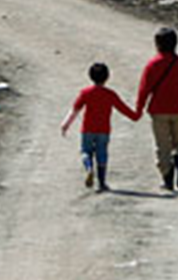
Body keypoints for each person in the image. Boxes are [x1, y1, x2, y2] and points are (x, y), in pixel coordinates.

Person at [134, 27, 178, 191]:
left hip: (159, 110)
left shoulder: (153, 65)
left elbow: (144, 89)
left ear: (157, 44)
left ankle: (168, 180)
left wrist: (139, 109)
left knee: (163, 146)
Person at [60, 62, 140, 192]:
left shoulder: (85, 93)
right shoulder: (110, 94)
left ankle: (89, 168)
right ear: (107, 77)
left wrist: (65, 125)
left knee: (85, 151)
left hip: (88, 129)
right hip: (104, 130)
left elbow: (75, 110)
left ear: (90, 76)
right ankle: (102, 182)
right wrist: (135, 116)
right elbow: (122, 108)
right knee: (102, 153)